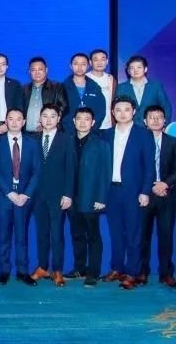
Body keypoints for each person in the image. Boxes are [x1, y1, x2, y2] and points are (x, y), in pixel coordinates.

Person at [103, 97, 155, 290]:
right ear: (113, 112)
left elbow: (149, 167)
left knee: (133, 233)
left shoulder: (144, 135)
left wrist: (145, 191)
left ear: (134, 111)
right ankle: (117, 268)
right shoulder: (106, 135)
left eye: (127, 109)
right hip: (111, 191)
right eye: (118, 109)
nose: (122, 113)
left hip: (133, 192)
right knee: (115, 233)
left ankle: (133, 272)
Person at [29, 105, 76, 287]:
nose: (48, 120)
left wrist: (68, 194)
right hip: (37, 195)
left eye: (52, 116)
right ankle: (42, 267)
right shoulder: (33, 139)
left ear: (59, 118)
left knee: (57, 234)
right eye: (45, 116)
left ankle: (57, 270)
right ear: (40, 118)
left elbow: (71, 169)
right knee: (41, 233)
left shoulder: (67, 139)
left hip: (58, 195)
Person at [0, 108, 40, 286]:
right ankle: (4, 271)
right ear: (5, 121)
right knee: (4, 235)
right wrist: (9, 192)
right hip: (4, 195)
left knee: (22, 236)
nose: (14, 122)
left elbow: (37, 172)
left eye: (18, 119)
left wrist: (26, 194)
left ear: (24, 122)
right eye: (10, 119)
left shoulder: (32, 144)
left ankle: (22, 271)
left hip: (24, 197)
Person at [139, 105, 176, 288]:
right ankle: (142, 271)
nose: (156, 120)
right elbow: (134, 168)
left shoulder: (173, 142)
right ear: (145, 121)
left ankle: (166, 274)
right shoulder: (138, 141)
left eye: (159, 117)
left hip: (167, 195)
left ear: (165, 120)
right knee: (142, 236)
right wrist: (151, 186)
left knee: (166, 236)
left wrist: (165, 184)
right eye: (151, 117)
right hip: (144, 195)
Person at [71, 107, 111, 287]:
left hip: (91, 197)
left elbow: (105, 173)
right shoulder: (68, 141)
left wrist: (101, 198)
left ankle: (93, 272)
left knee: (93, 236)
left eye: (87, 119)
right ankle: (79, 268)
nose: (82, 122)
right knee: (76, 234)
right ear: (74, 121)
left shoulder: (101, 144)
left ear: (93, 122)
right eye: (79, 118)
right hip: (71, 197)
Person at [117, 55, 173, 126]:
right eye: (132, 68)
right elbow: (117, 109)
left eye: (139, 67)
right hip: (129, 129)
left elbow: (166, 107)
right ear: (128, 71)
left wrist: (164, 125)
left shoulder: (156, 86)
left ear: (145, 69)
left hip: (152, 128)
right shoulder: (121, 88)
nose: (135, 70)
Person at [62, 53, 106, 135]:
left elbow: (101, 112)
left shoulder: (95, 88)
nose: (79, 67)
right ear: (71, 66)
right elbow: (59, 112)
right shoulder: (62, 88)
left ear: (88, 66)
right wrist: (67, 130)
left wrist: (92, 130)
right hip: (67, 134)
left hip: (91, 134)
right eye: (76, 64)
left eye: (83, 64)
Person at [22, 57, 67, 134]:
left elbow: (63, 107)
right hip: (25, 134)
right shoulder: (23, 89)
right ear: (29, 71)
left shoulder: (57, 87)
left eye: (40, 69)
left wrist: (47, 123)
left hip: (48, 132)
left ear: (46, 70)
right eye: (33, 70)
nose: (37, 73)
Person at [86, 49, 115, 130]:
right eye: (96, 60)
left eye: (102, 59)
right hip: (88, 126)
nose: (99, 62)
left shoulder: (111, 79)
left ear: (107, 61)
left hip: (108, 125)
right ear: (90, 62)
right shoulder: (84, 79)